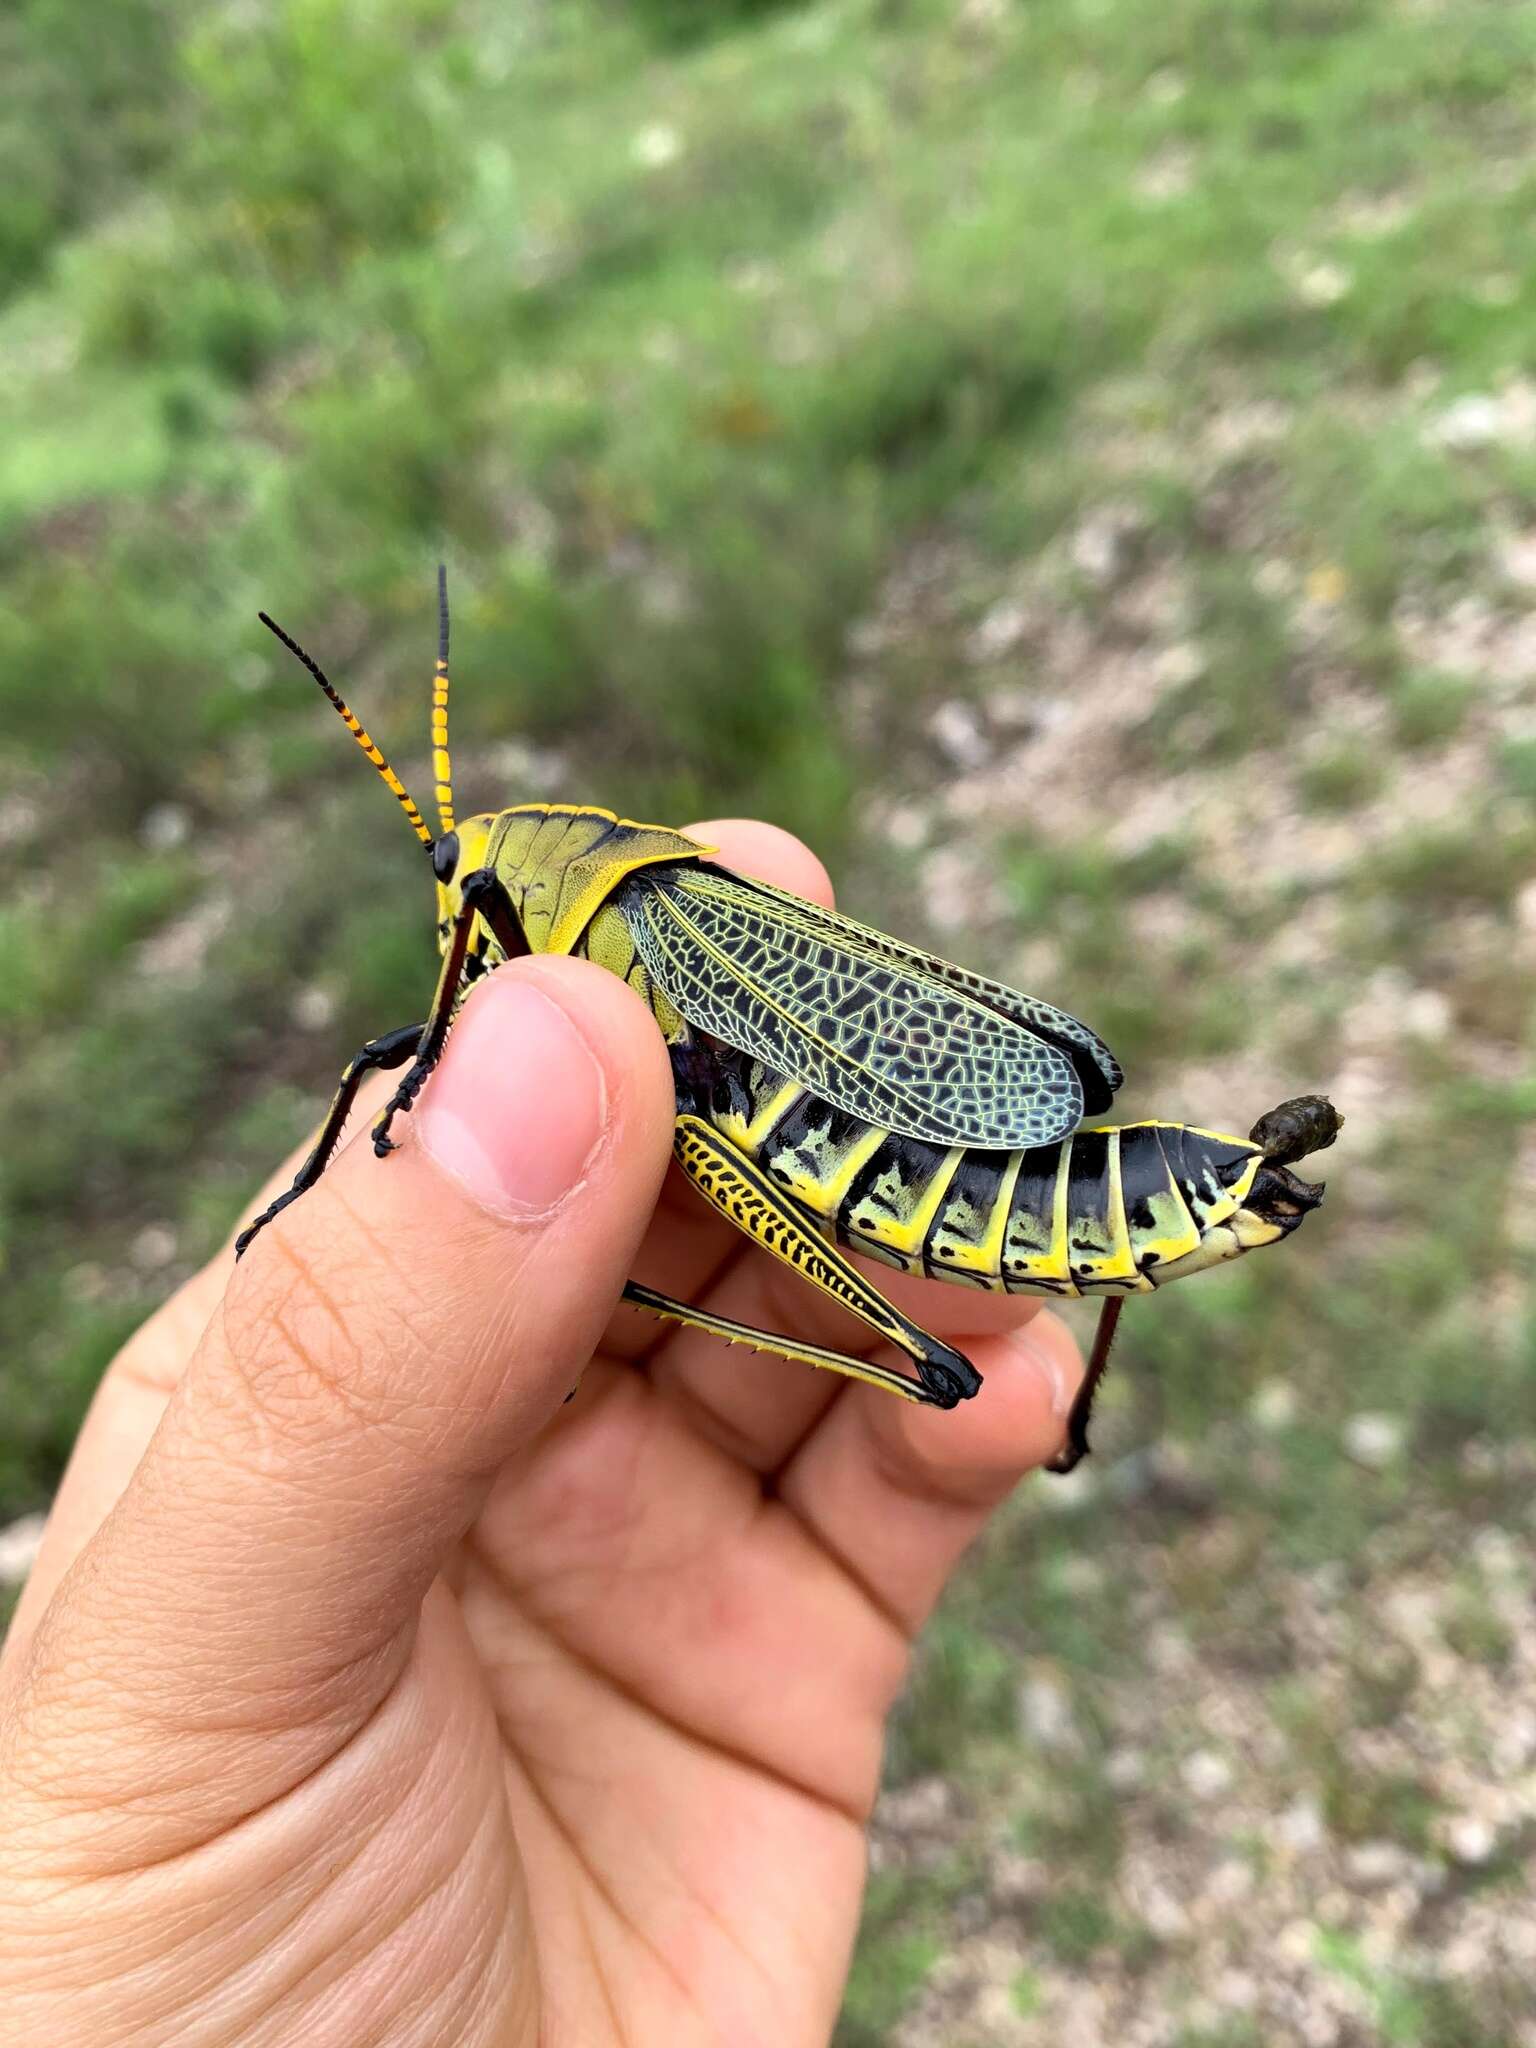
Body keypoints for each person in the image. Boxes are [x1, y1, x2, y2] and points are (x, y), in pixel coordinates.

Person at [0, 820, 1081, 2046]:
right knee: (955, 1365)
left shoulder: (637, 917)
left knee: (943, 1354)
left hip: (837, 1148)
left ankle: (709, 1304)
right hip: (763, 1143)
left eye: (470, 908)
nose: (458, 931)